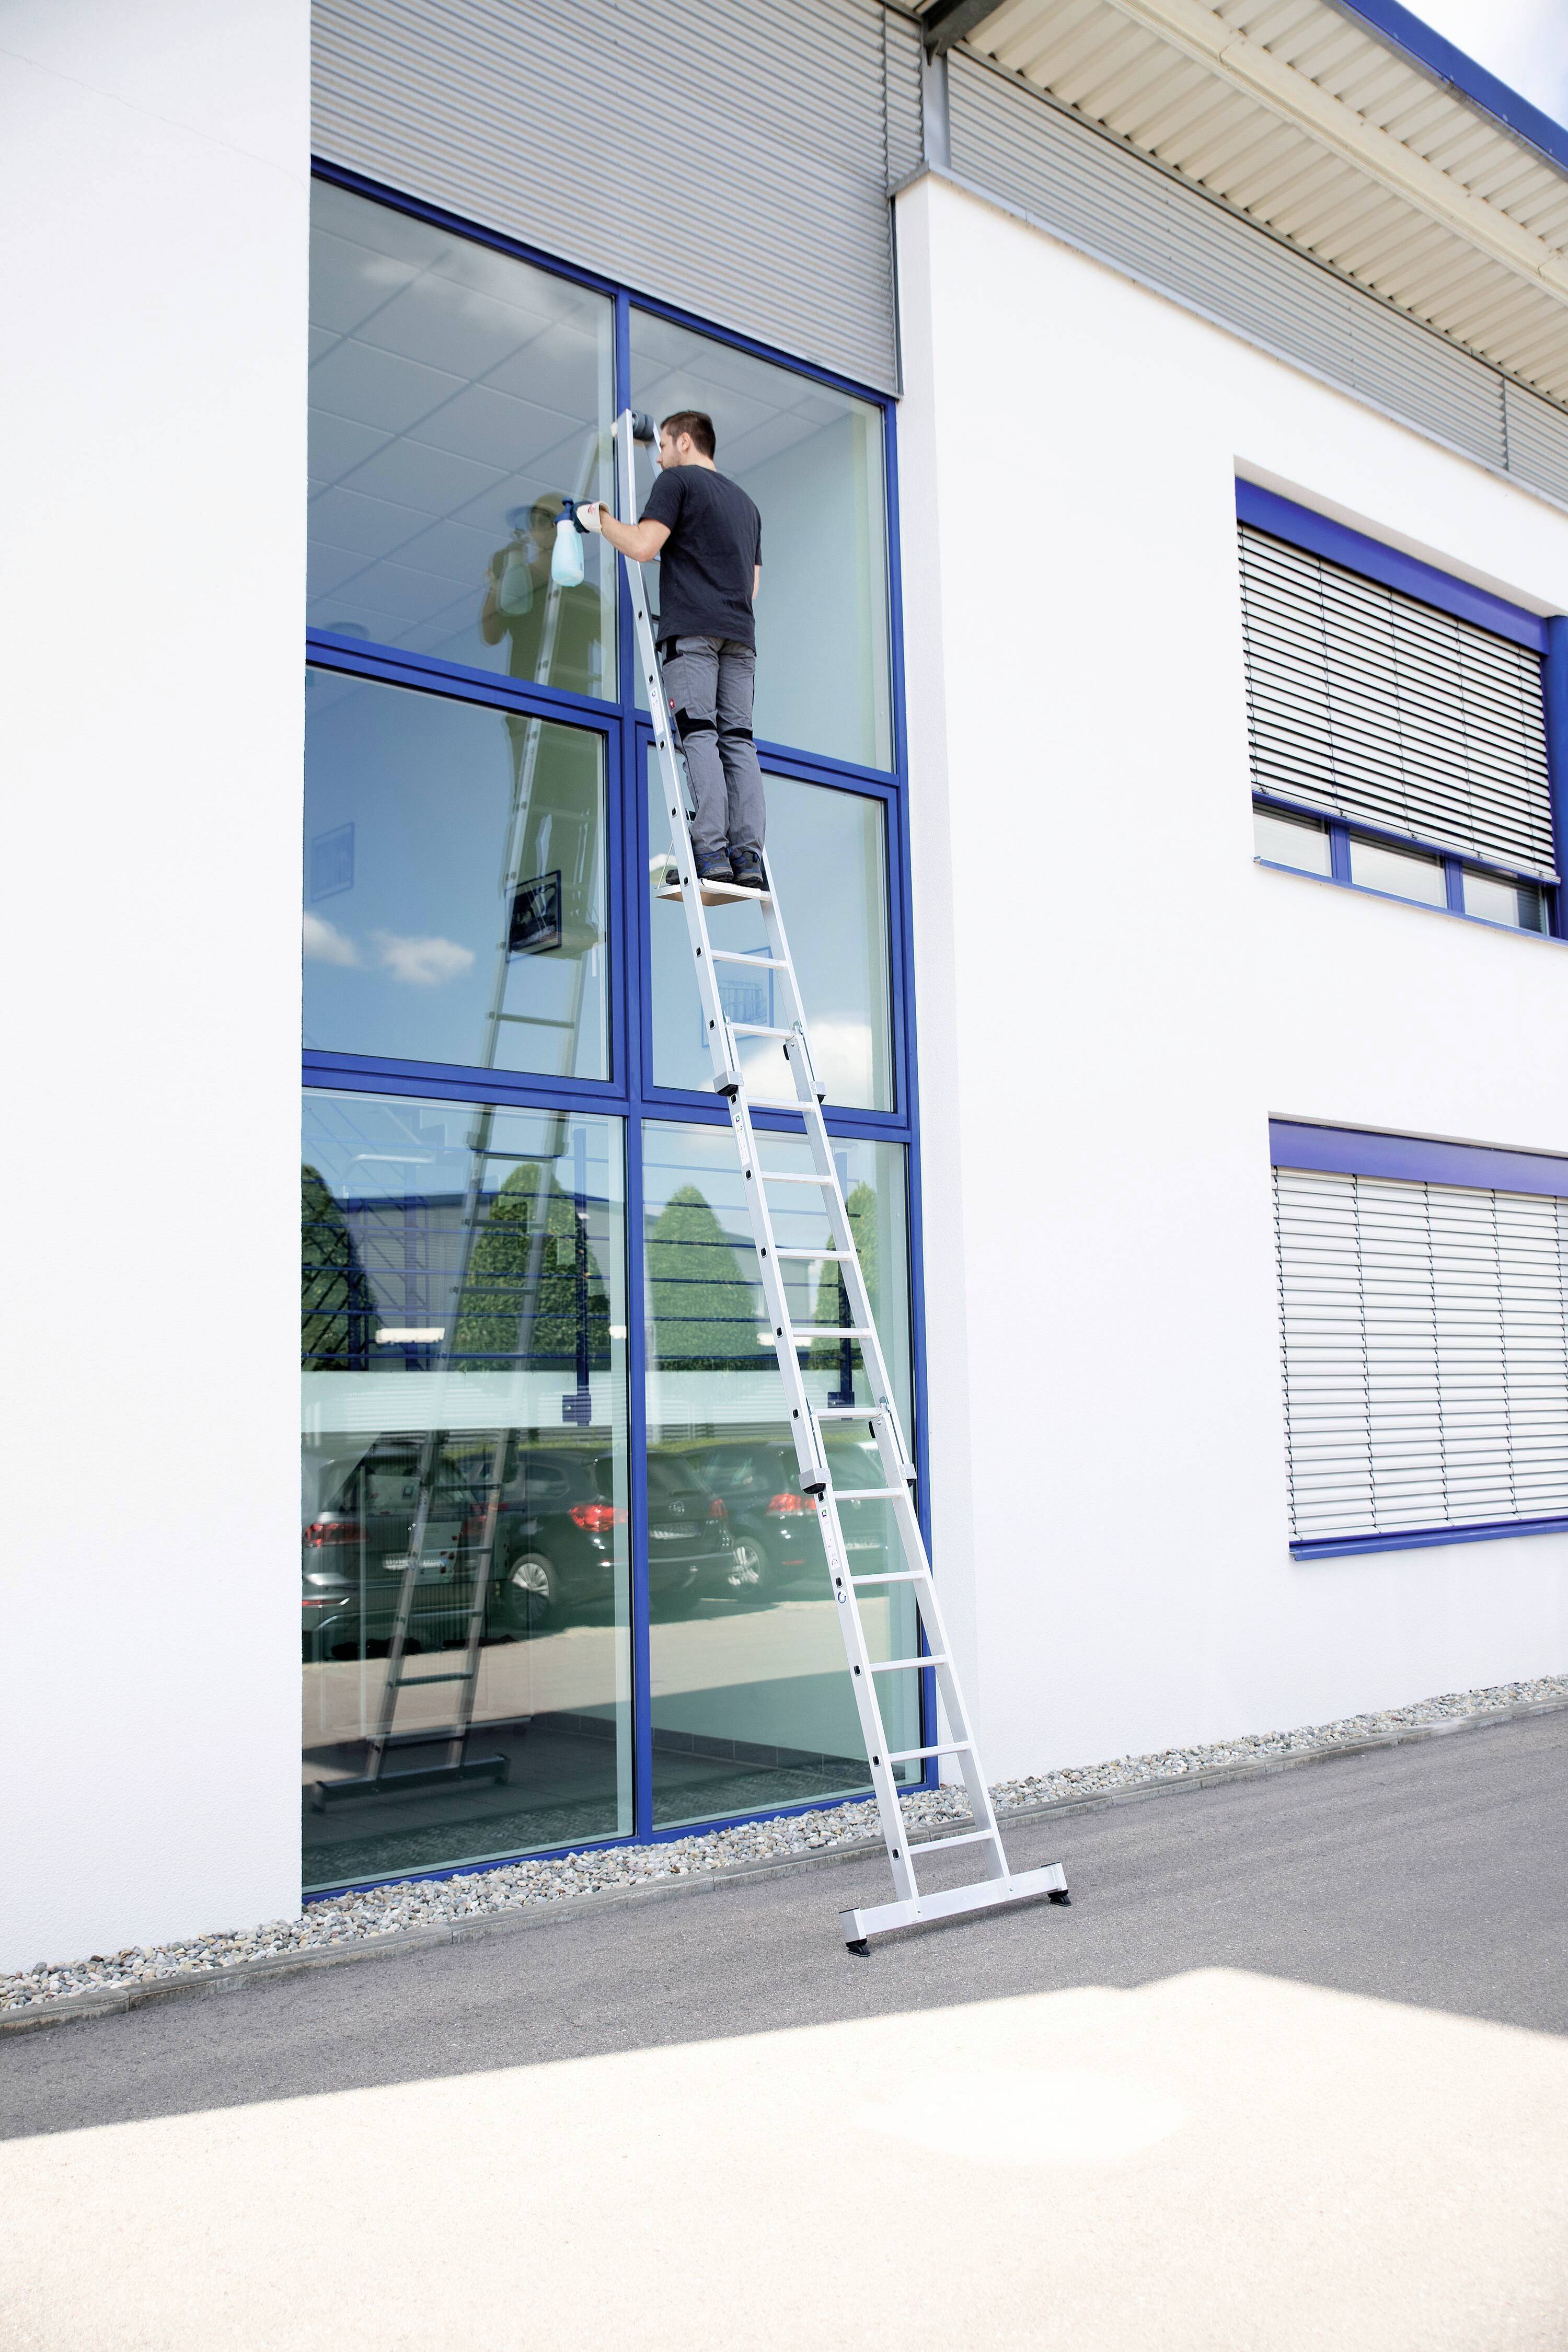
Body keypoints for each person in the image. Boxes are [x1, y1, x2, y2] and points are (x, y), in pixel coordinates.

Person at [579, 411, 765, 887]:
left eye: (662, 446)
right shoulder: (747, 505)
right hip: (740, 637)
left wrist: (600, 520)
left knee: (699, 733)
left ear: (685, 442)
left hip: (694, 634)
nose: (658, 458)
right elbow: (753, 586)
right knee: (738, 740)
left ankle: (710, 851)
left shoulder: (677, 483)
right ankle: (748, 857)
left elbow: (643, 547)